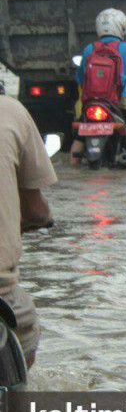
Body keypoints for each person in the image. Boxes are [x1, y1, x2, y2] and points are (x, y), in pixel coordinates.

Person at [1, 96, 58, 374]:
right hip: (2, 292)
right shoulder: (10, 111)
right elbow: (35, 211)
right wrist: (42, 219)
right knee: (27, 333)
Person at [70, 9, 126, 165]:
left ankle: (73, 162)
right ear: (121, 27)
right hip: (122, 104)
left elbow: (79, 78)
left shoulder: (89, 49)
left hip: (92, 104)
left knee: (81, 130)